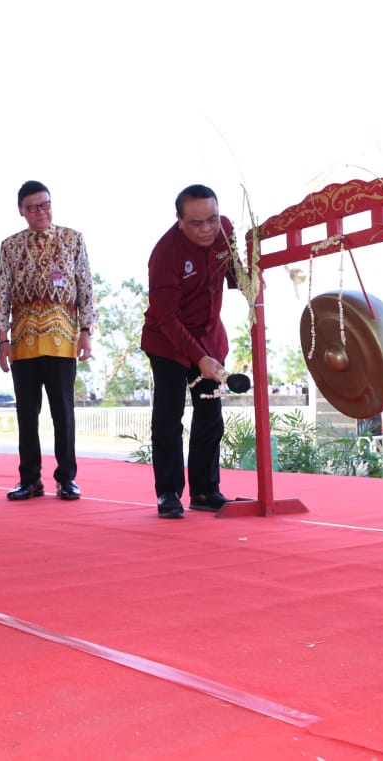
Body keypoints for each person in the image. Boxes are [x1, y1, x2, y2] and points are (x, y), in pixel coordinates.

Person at [0, 180, 95, 501]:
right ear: (22, 211)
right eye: (33, 207)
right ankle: (30, 479)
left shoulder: (72, 240)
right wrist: (1, 341)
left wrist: (86, 333)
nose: (41, 211)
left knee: (63, 412)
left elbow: (86, 288)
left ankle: (67, 478)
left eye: (46, 204)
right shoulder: (10, 246)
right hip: (23, 341)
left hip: (63, 339)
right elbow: (2, 295)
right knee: (26, 413)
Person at [141, 184, 239, 519]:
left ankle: (205, 490)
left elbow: (235, 274)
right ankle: (168, 493)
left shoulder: (225, 229)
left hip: (210, 336)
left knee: (210, 416)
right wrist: (199, 359)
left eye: (211, 219)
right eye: (197, 223)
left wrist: (252, 276)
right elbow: (166, 318)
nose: (207, 229)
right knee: (169, 418)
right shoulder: (165, 255)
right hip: (168, 341)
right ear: (180, 221)